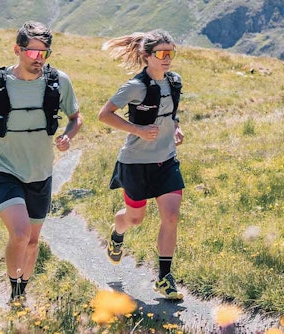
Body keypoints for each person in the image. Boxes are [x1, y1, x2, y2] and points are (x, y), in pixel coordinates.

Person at [0, 21, 82, 305]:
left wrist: (68, 135)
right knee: (20, 233)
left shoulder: (59, 81)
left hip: (39, 171)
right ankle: (13, 289)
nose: (38, 59)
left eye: (44, 54)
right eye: (32, 53)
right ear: (17, 50)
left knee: (33, 241)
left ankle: (20, 292)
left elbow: (76, 118)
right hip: (2, 167)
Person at [97, 30, 185, 300]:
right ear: (147, 57)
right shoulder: (135, 86)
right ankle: (118, 229)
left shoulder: (174, 82)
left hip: (166, 161)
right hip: (136, 163)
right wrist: (136, 129)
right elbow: (104, 115)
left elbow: (170, 113)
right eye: (161, 53)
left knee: (170, 217)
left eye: (170, 53)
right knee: (134, 219)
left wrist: (176, 128)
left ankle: (164, 278)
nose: (167, 58)